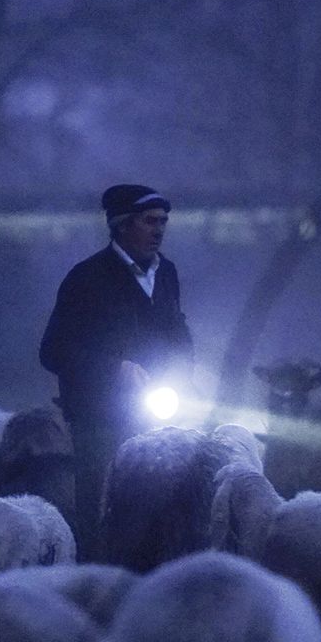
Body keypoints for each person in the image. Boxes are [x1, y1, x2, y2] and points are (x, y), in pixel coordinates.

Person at [39, 184, 193, 559]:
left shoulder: (166, 274)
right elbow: (54, 350)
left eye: (163, 222)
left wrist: (185, 364)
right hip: (101, 420)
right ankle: (96, 580)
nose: (158, 230)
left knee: (164, 506)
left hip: (157, 413)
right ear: (122, 225)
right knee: (102, 509)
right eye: (149, 221)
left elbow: (176, 328)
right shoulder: (87, 279)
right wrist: (114, 369)